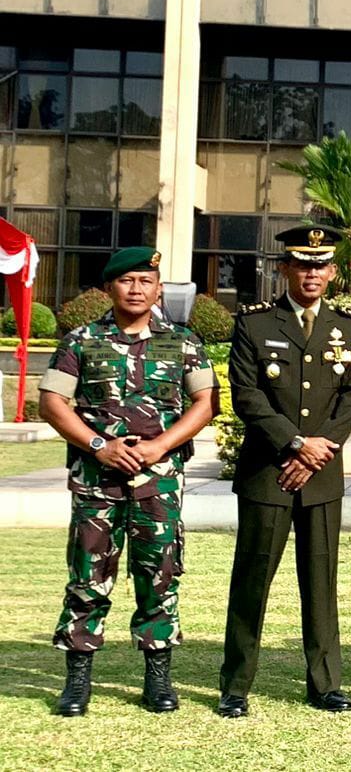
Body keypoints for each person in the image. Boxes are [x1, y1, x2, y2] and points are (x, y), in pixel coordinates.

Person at [38, 247, 216, 716]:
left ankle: (157, 678)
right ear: (108, 287)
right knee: (87, 575)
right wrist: (100, 446)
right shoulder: (80, 340)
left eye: (145, 281)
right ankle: (77, 681)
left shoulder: (183, 342)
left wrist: (160, 447)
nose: (136, 289)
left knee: (160, 574)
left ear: (158, 289)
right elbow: (53, 403)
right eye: (126, 281)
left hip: (158, 482)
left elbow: (204, 403)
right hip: (98, 480)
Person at [217, 225, 351, 718]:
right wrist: (296, 444)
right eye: (303, 264)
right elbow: (247, 396)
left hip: (321, 476)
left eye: (321, 264)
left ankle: (324, 684)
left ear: (333, 271)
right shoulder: (256, 324)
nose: (312, 273)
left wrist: (318, 452)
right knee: (252, 578)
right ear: (285, 268)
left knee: (321, 581)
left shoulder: (348, 327)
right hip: (270, 471)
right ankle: (235, 685)